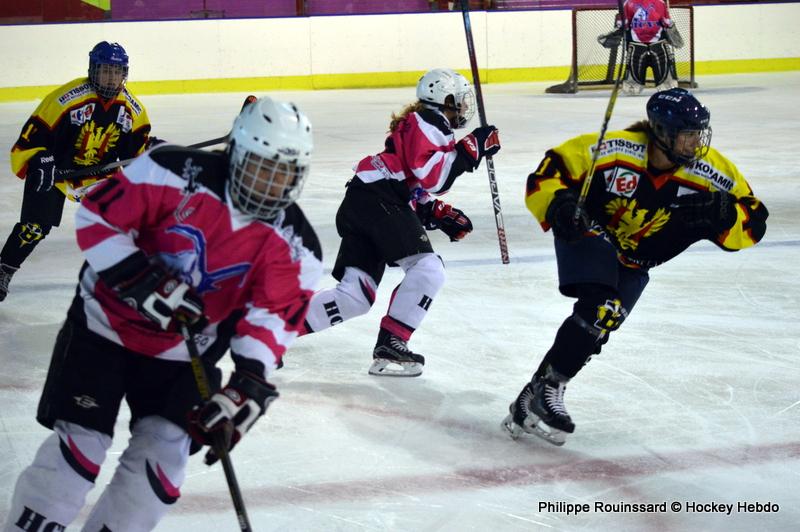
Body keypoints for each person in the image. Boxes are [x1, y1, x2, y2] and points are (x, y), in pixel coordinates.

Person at [2, 96, 322, 531]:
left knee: (163, 462)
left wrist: (247, 385)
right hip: (104, 330)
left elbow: (270, 319)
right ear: (237, 152)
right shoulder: (171, 169)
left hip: (184, 354)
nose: (270, 185)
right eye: (262, 167)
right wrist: (145, 282)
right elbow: (98, 218)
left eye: (284, 173)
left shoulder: (297, 246)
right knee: (79, 450)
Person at [503, 88, 768, 446]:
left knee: (598, 327)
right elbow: (549, 173)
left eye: (698, 134)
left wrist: (726, 215)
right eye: (688, 134)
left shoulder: (711, 172)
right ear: (662, 132)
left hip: (638, 261)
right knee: (600, 307)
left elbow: (754, 219)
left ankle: (531, 396)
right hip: (590, 234)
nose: (696, 144)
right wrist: (559, 205)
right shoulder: (614, 150)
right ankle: (549, 390)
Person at [300, 67, 500, 377]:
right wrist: (473, 146)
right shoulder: (430, 121)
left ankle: (272, 330)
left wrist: (434, 211)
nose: (463, 107)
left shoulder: (421, 123)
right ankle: (393, 342)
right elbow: (434, 175)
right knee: (428, 269)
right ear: (445, 100)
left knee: (354, 297)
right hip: (379, 199)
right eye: (459, 101)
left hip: (366, 198)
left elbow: (414, 181)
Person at [0, 41, 152, 302]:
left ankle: (126, 278)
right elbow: (30, 138)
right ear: (93, 70)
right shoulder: (65, 99)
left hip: (97, 175)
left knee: (126, 222)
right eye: (105, 70)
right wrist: (40, 159)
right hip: (56, 172)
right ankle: (4, 268)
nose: (111, 77)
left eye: (117, 72)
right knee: (34, 227)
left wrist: (146, 159)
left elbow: (135, 154)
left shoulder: (132, 109)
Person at [597, 0, 684, 95]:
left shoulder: (660, 3)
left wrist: (672, 33)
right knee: (632, 90)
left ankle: (666, 85)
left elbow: (667, 23)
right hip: (636, 46)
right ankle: (635, 85)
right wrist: (617, 32)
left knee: (668, 88)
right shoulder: (628, 3)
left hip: (658, 45)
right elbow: (623, 25)